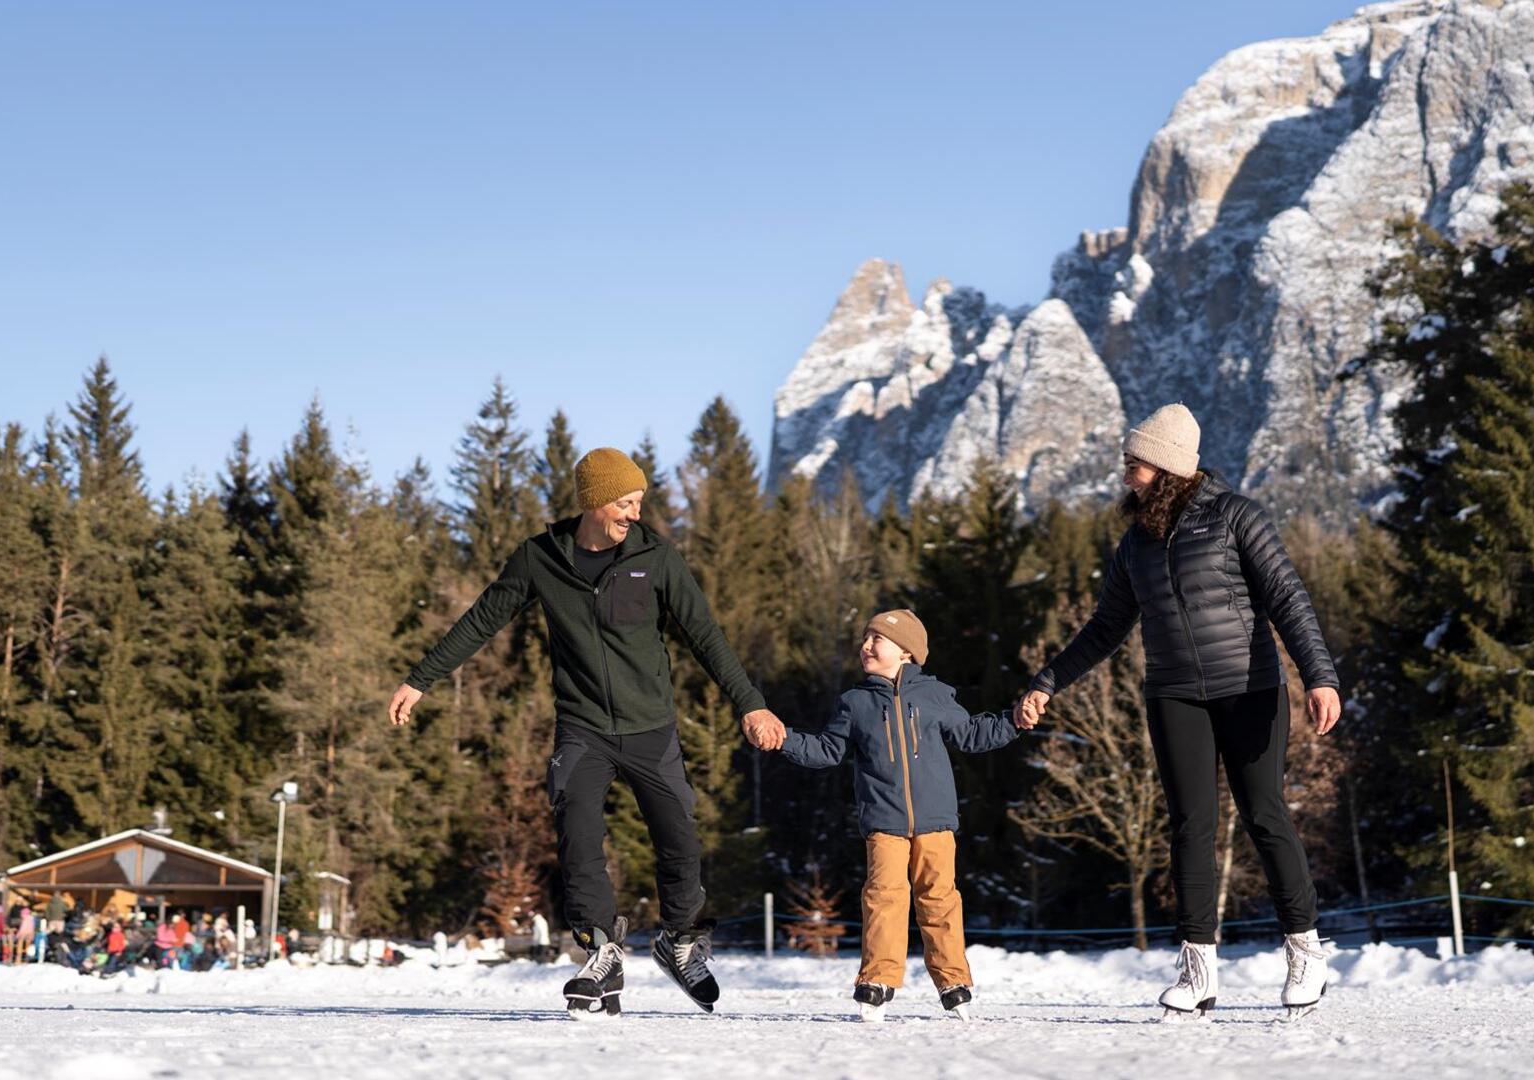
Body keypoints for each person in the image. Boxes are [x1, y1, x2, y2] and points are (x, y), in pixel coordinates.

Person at [387, 447, 784, 1016]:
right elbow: (481, 619)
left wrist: (751, 705)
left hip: (652, 727)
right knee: (577, 836)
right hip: (583, 728)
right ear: (595, 502)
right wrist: (420, 680)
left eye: (639, 501)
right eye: (625, 501)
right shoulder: (540, 559)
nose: (634, 513)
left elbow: (706, 637)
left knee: (680, 839)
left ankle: (678, 939)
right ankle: (601, 951)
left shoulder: (657, 558)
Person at [1015, 403, 1344, 1019]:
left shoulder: (1236, 516)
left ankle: (1304, 953)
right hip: (1173, 695)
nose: (1125, 476)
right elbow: (1105, 627)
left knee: (1265, 815)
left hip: (1250, 689)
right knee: (1190, 827)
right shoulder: (1135, 543)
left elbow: (1289, 600)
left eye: (1134, 465)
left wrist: (1319, 678)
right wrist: (1046, 682)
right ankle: (1198, 972)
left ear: (1166, 467)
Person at [774, 609, 1024, 1022]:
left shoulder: (935, 695)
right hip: (883, 823)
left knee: (940, 899)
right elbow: (826, 750)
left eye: (877, 639)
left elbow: (973, 734)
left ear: (907, 652)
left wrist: (1014, 721)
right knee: (884, 899)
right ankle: (877, 979)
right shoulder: (854, 703)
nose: (866, 646)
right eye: (865, 639)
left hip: (936, 821)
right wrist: (784, 739)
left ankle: (953, 981)